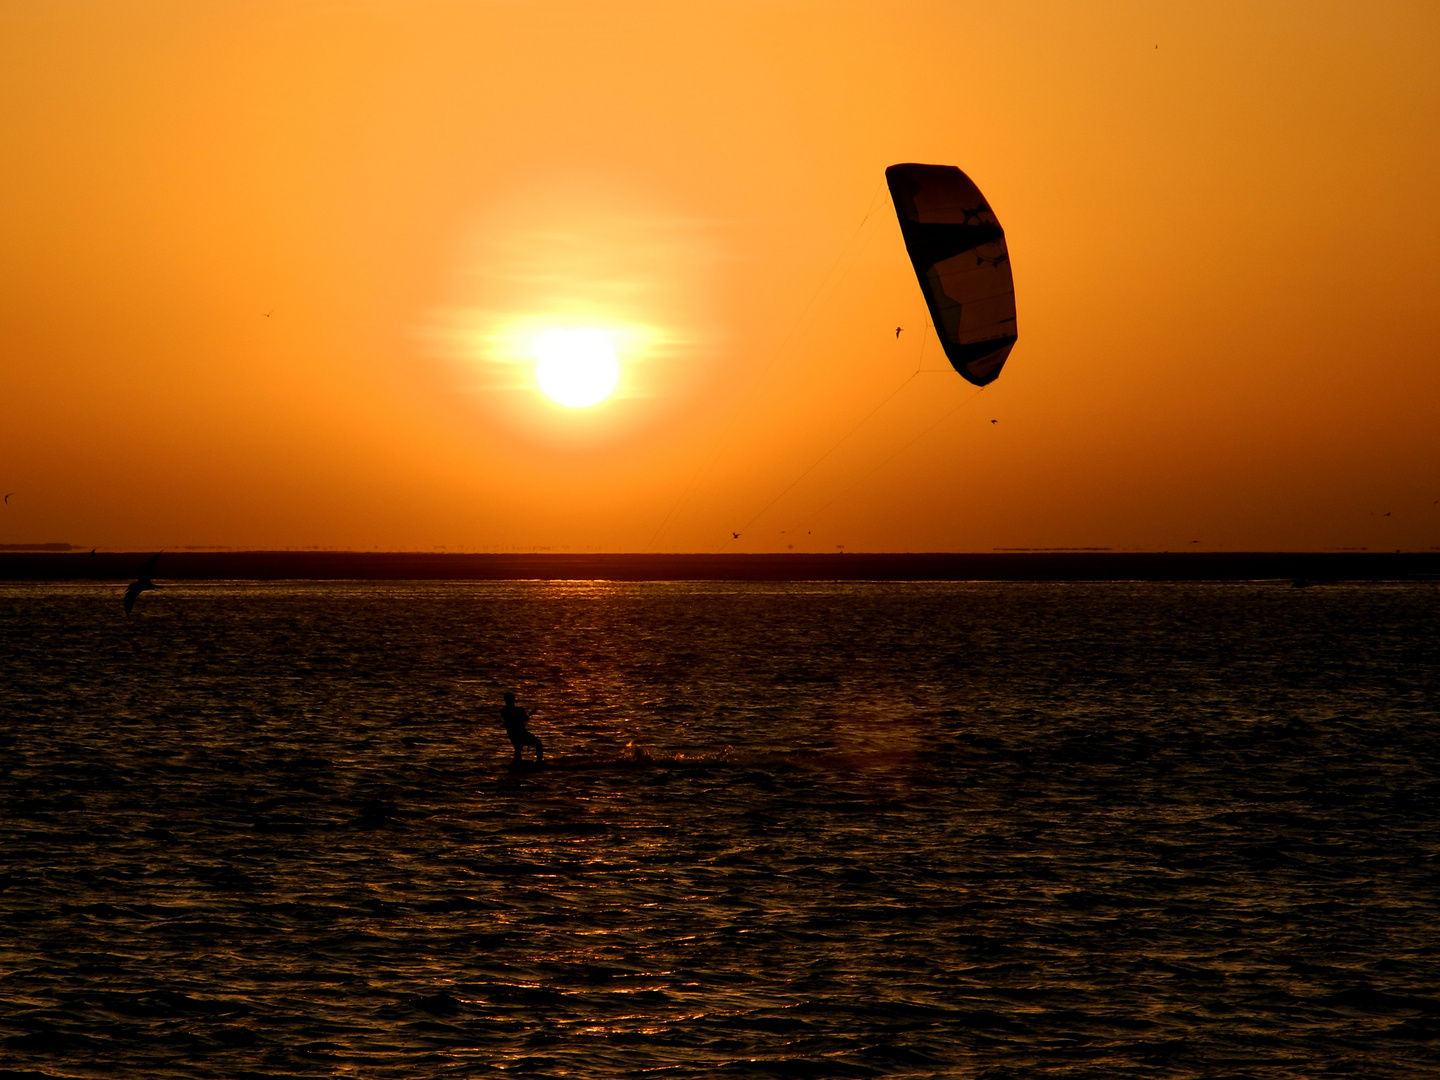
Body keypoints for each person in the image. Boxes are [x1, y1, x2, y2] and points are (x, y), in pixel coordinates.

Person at [500, 692, 543, 764]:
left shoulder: (503, 711)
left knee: (517, 748)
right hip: (521, 734)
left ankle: (518, 762)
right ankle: (540, 762)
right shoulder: (518, 710)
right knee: (538, 743)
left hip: (513, 735)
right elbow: (525, 718)